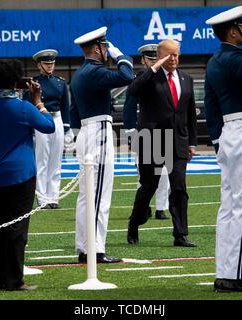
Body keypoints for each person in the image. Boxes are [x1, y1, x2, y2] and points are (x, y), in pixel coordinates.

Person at [204, 6, 242, 292]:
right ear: (233, 31)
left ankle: (225, 272)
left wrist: (218, 140)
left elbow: (211, 105)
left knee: (229, 205)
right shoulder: (233, 57)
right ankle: (236, 275)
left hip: (229, 131)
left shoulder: (215, 61)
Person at [0, 59, 55, 291]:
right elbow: (48, 125)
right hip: (20, 173)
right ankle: (13, 279)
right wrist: (38, 101)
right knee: (17, 228)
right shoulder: (23, 107)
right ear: (15, 80)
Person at [70, 26, 133, 264]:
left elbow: (74, 112)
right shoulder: (94, 71)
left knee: (87, 194)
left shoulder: (80, 73)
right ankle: (95, 250)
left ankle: (85, 247)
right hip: (98, 131)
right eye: (105, 47)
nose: (107, 50)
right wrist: (121, 56)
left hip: (87, 131)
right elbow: (127, 77)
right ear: (97, 48)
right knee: (99, 194)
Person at [126, 39, 197, 247]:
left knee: (179, 187)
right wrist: (154, 67)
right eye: (169, 54)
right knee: (148, 187)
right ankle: (134, 222)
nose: (174, 58)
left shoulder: (186, 79)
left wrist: (192, 142)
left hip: (178, 142)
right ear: (160, 56)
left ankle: (180, 234)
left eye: (176, 54)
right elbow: (132, 90)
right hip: (152, 140)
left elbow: (190, 113)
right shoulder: (149, 78)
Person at [123, 44, 171, 220]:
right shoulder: (138, 79)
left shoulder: (166, 78)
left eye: (156, 58)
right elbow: (129, 106)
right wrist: (129, 130)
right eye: (150, 58)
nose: (153, 61)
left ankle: (161, 207)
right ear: (143, 60)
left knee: (165, 171)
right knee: (143, 173)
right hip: (143, 131)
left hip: (164, 130)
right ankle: (143, 207)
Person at [26, 49, 71, 209]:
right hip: (40, 118)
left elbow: (65, 105)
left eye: (52, 63)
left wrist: (67, 128)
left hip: (57, 119)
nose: (50, 66)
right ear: (39, 65)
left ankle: (53, 197)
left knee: (55, 160)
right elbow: (28, 105)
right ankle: (42, 199)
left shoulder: (60, 82)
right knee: (42, 160)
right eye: (46, 63)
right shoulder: (34, 82)